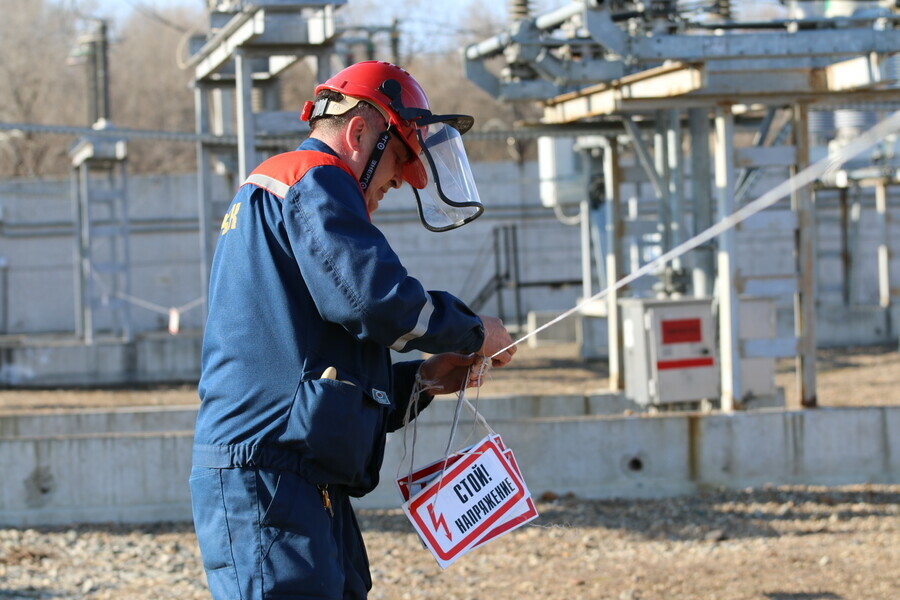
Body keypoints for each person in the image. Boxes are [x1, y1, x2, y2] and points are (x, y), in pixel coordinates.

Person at [190, 60, 517, 600]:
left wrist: (427, 381)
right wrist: (471, 331)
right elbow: (377, 302)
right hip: (271, 479)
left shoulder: (290, 195)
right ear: (359, 132)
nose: (398, 179)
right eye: (397, 159)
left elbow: (321, 373)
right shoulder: (312, 179)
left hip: (294, 477)